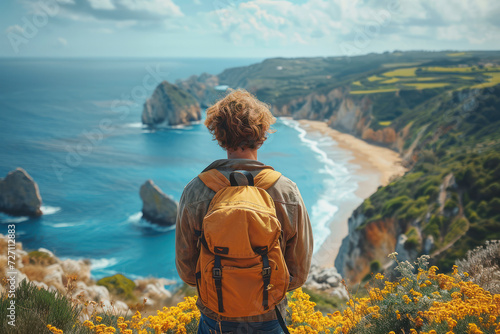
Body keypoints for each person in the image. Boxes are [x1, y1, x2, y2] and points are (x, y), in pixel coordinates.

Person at [175, 89, 313, 334]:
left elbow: (187, 271)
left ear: (219, 134)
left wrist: (223, 288)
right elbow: (299, 272)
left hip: (215, 318)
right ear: (262, 135)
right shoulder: (285, 190)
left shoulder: (196, 190)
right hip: (269, 316)